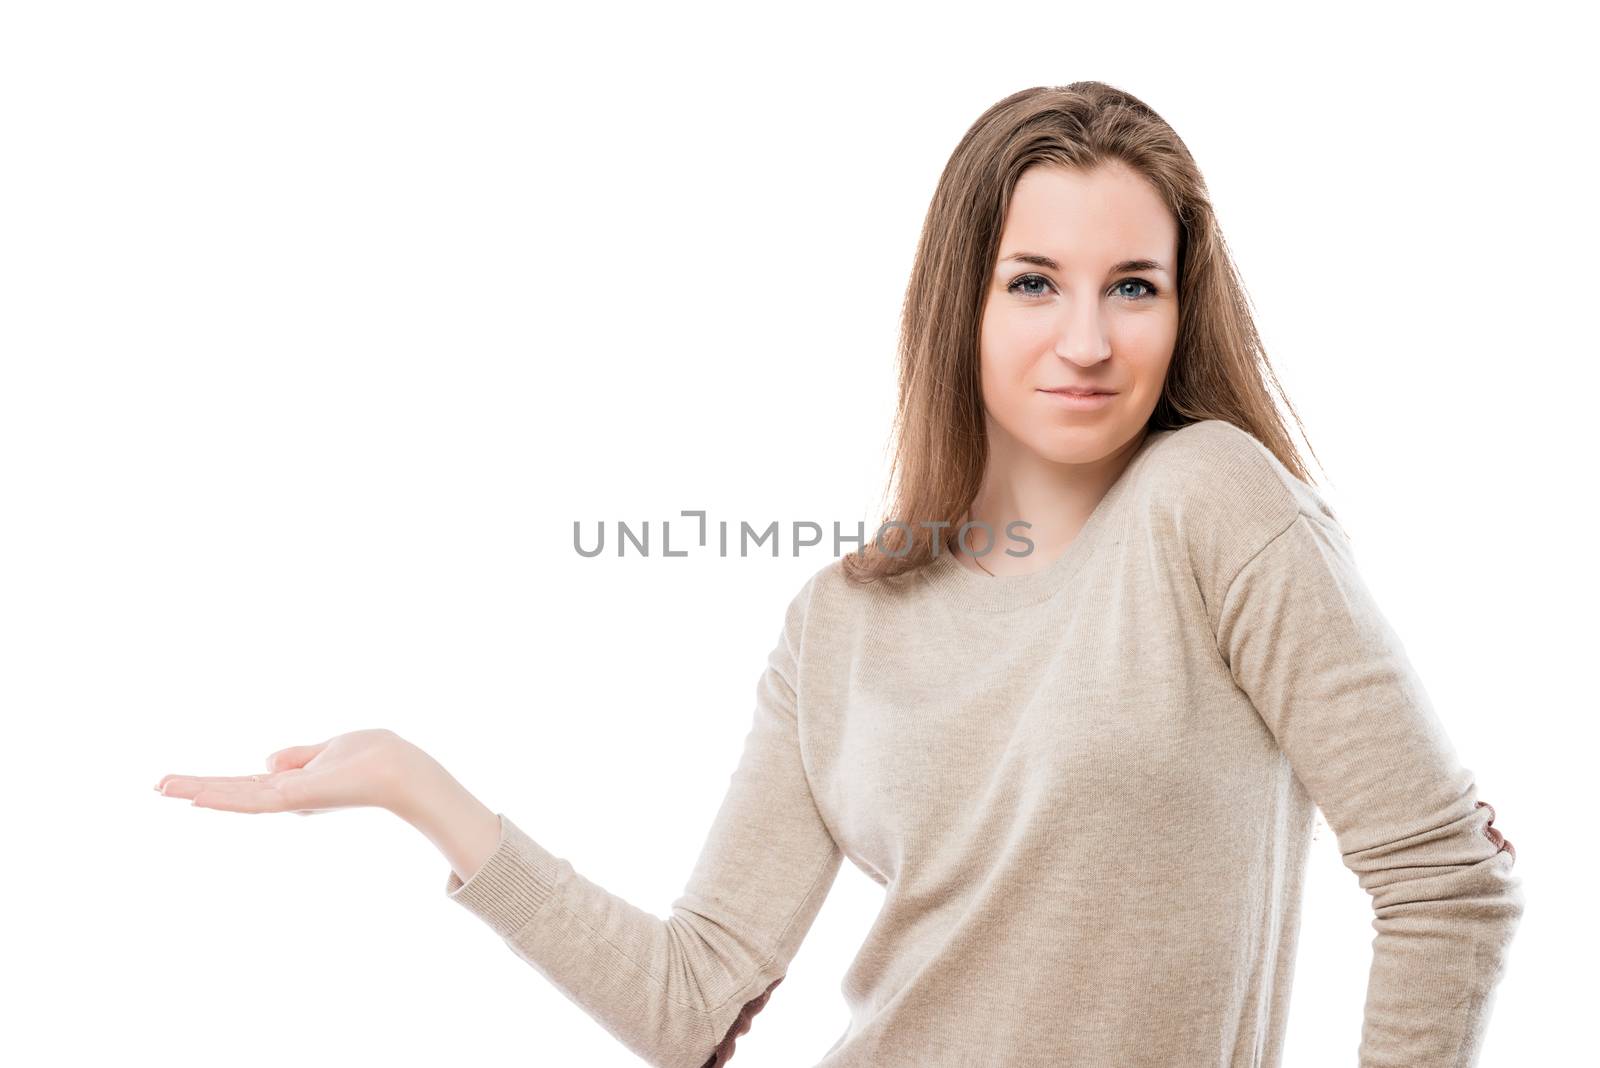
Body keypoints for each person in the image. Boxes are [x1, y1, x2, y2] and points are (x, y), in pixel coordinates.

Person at [153, 82, 1524, 1067]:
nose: (1090, 341)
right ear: (962, 302)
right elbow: (690, 1002)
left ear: (1185, 304)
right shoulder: (841, 625)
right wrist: (410, 784)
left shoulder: (1213, 502)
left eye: (1136, 287)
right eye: (1034, 281)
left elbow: (1444, 888)